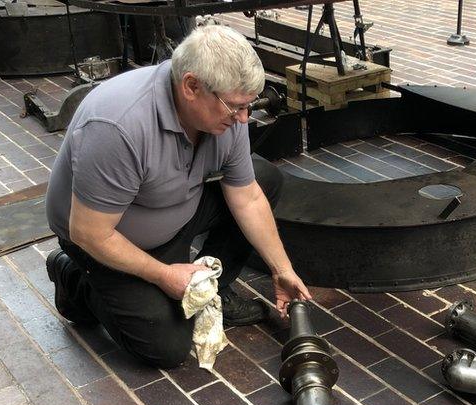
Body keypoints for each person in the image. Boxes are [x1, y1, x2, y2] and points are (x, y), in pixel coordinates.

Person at [44, 25, 312, 369]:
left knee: (265, 179)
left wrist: (282, 269)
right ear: (191, 86)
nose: (244, 119)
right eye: (235, 107)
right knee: (164, 348)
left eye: (249, 106)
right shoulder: (118, 126)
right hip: (104, 240)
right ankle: (74, 279)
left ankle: (213, 290)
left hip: (175, 213)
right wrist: (162, 275)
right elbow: (89, 232)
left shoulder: (225, 117)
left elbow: (246, 197)